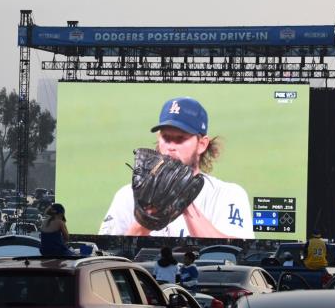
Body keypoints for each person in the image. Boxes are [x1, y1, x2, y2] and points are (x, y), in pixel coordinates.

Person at [99, 97, 254, 239]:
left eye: (180, 139)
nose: (171, 147)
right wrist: (146, 217)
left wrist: (184, 200)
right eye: (166, 138)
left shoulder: (227, 195)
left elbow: (233, 256)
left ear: (202, 144)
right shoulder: (127, 196)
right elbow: (107, 258)